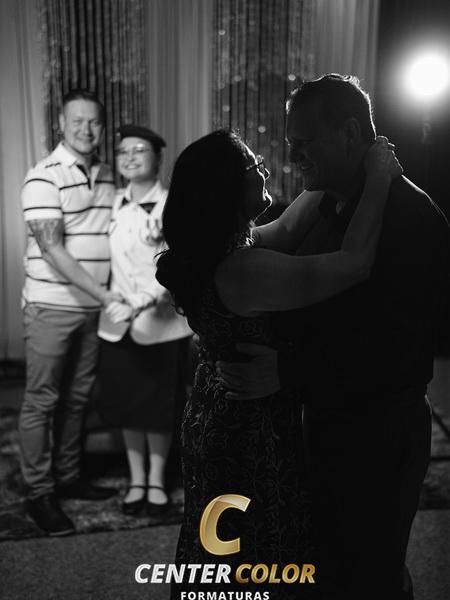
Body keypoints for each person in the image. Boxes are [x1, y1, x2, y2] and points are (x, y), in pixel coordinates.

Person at [216, 75, 450, 600]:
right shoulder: (324, 206)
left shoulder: (409, 216)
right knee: (330, 565)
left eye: (304, 142)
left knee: (373, 573)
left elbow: (397, 349)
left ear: (349, 133)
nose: (292, 155)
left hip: (379, 434)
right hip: (324, 421)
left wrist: (287, 370)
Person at [155, 128, 400, 597]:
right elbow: (354, 263)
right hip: (243, 430)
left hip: (215, 413)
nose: (265, 170)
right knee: (251, 551)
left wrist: (324, 171)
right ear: (227, 188)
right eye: (254, 166)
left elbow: (286, 231)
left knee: (221, 545)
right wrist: (378, 177)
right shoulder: (242, 269)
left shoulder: (220, 248)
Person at [20, 89, 118, 537]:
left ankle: (68, 475)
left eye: (93, 121)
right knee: (42, 400)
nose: (86, 129)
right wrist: (105, 293)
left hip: (93, 308)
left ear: (102, 126)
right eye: (77, 121)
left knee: (78, 399)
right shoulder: (43, 176)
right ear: (61, 124)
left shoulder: (108, 175)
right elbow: (52, 250)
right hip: (52, 305)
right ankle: (39, 493)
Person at [97, 125, 192, 517]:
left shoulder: (174, 206)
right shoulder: (111, 204)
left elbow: (179, 267)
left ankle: (156, 478)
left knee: (158, 408)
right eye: (123, 151)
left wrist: (140, 301)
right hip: (117, 322)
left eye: (139, 150)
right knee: (129, 406)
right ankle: (136, 477)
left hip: (161, 323)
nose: (130, 157)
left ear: (157, 158)